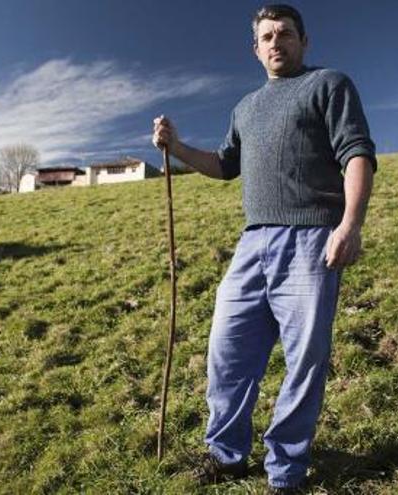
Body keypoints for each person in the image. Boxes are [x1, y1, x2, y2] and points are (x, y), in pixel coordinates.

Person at [152, 4, 376, 492]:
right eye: (267, 37)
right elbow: (223, 165)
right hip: (252, 243)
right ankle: (227, 455)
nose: (277, 42)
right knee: (226, 352)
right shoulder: (245, 108)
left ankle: (285, 471)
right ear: (255, 49)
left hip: (312, 239)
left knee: (304, 360)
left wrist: (349, 224)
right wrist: (177, 147)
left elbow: (357, 153)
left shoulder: (328, 85)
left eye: (286, 34)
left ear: (303, 41)